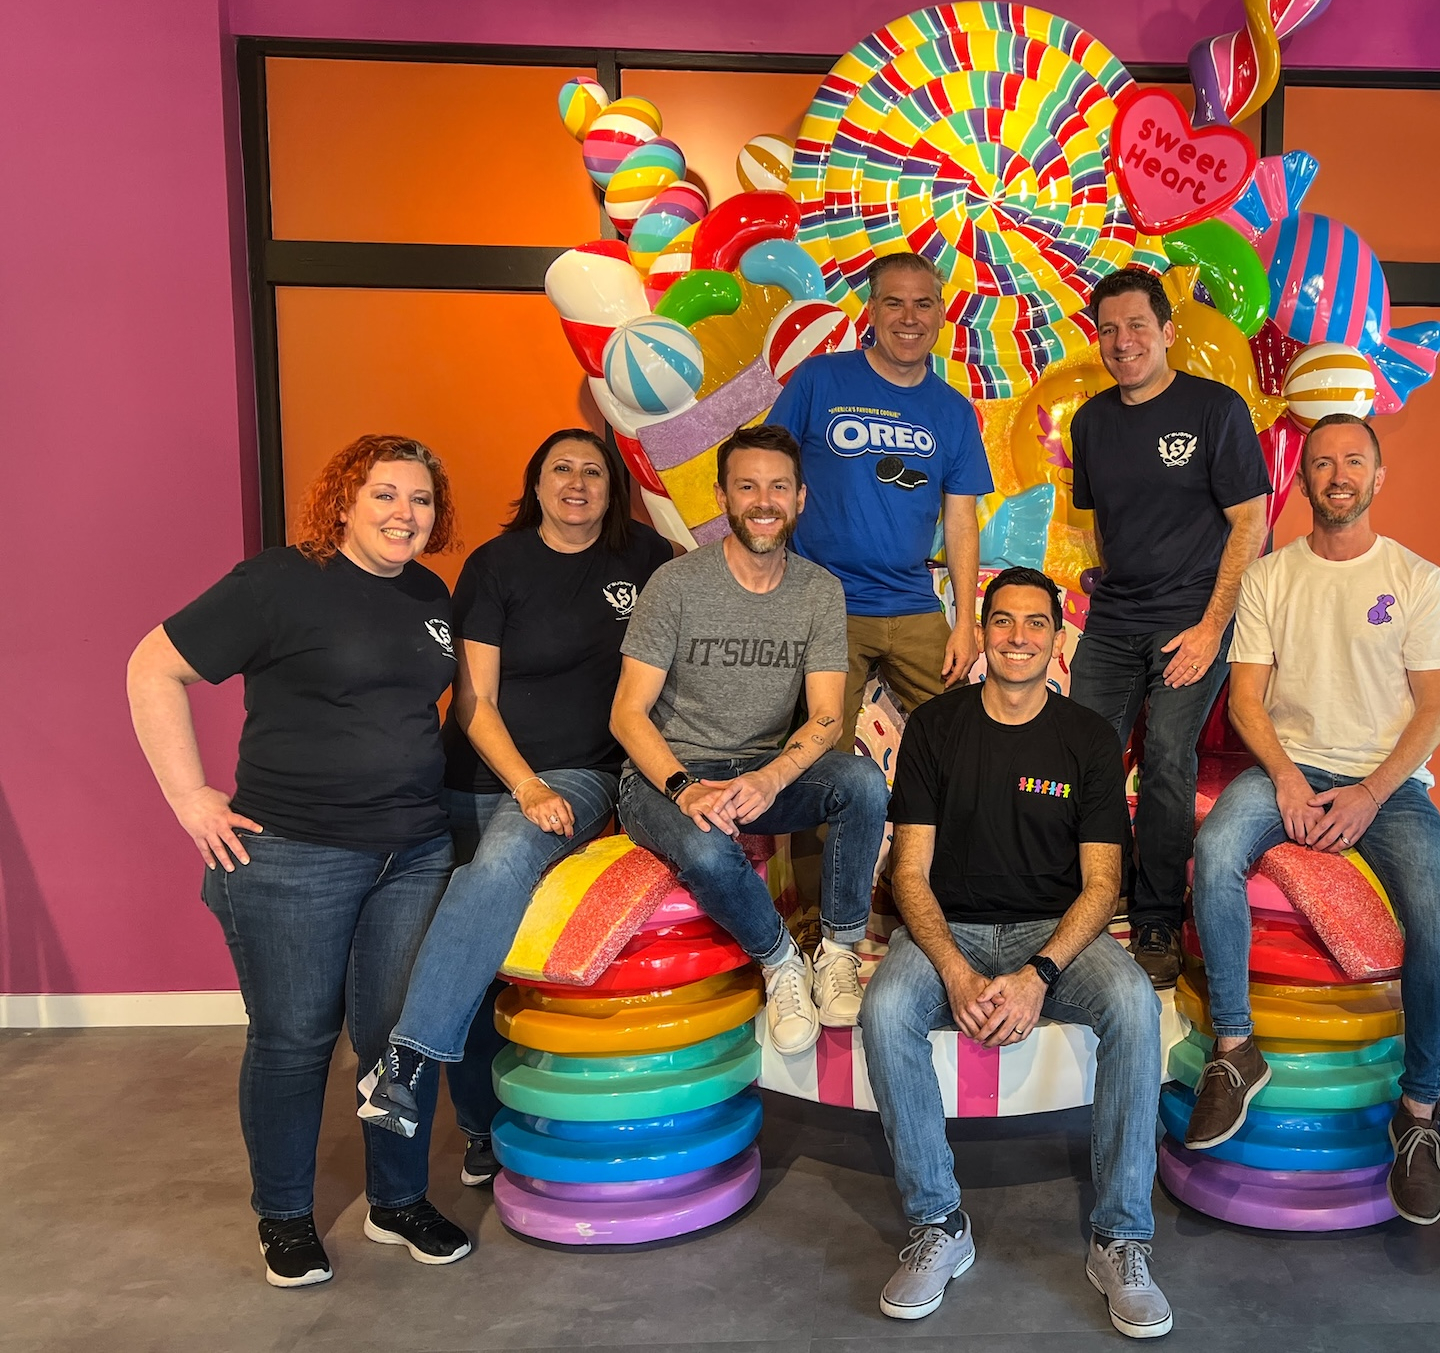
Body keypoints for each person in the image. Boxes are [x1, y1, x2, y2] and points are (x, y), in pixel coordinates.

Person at [125, 435, 471, 1288]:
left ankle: (396, 1202)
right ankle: (283, 1216)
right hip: (294, 857)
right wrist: (188, 796)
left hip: (414, 853)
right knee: (293, 1042)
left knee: (400, 1041)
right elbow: (151, 668)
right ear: (345, 501)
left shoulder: (430, 593)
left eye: (420, 499)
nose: (404, 513)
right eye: (384, 494)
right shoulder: (281, 580)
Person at [860, 567, 1170, 1339]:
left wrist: (1037, 976)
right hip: (950, 928)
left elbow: (1102, 886)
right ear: (983, 633)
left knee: (1133, 1003)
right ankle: (939, 1225)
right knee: (887, 1006)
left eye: (1036, 624)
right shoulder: (935, 728)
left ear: (1058, 641)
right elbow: (909, 872)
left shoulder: (1088, 738)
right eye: (1003, 622)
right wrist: (958, 973)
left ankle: (1120, 1237)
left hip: (1053, 931)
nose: (1019, 637)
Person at [355, 429, 673, 1147]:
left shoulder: (647, 558)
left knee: (497, 872)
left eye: (594, 471)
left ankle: (403, 1064)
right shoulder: (498, 565)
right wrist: (523, 785)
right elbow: (474, 704)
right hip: (478, 779)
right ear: (535, 485)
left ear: (612, 489)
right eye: (561, 468)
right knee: (474, 960)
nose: (578, 482)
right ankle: (478, 1132)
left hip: (581, 774)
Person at [1186, 413, 1440, 1225]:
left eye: (1353, 462)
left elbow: (1436, 711)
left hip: (1391, 784)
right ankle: (1237, 1053)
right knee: (1215, 850)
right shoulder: (1272, 576)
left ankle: (1416, 1117)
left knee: (1436, 921)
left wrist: (1371, 794)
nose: (1336, 475)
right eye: (1321, 463)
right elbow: (1245, 698)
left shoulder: (1417, 578)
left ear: (1379, 479)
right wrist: (1286, 782)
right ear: (1301, 481)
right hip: (1289, 767)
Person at [612, 425, 888, 1053]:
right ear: (722, 497)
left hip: (760, 769)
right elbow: (628, 714)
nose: (764, 501)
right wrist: (684, 789)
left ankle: (838, 953)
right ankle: (781, 961)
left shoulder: (819, 590)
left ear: (800, 498)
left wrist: (769, 778)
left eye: (778, 487)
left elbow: (825, 717)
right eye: (747, 486)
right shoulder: (676, 585)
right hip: (665, 773)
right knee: (709, 852)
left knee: (863, 784)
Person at [1068, 267, 1272, 987]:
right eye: (1110, 329)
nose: (1123, 342)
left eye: (1137, 327)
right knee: (1083, 757)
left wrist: (1213, 628)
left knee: (1166, 762)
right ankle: (1101, 895)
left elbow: (1251, 520)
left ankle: (1156, 916)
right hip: (1115, 618)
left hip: (1193, 620)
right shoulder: (1090, 420)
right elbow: (1105, 525)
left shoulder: (1215, 410)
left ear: (1167, 333)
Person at [767, 252, 994, 745]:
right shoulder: (819, 379)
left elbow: (960, 523)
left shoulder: (954, 411)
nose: (909, 318)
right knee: (821, 756)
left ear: (939, 314)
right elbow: (766, 473)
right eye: (894, 303)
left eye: (923, 304)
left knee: (967, 741)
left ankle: (943, 827)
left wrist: (964, 622)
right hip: (827, 606)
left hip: (912, 604)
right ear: (870, 311)